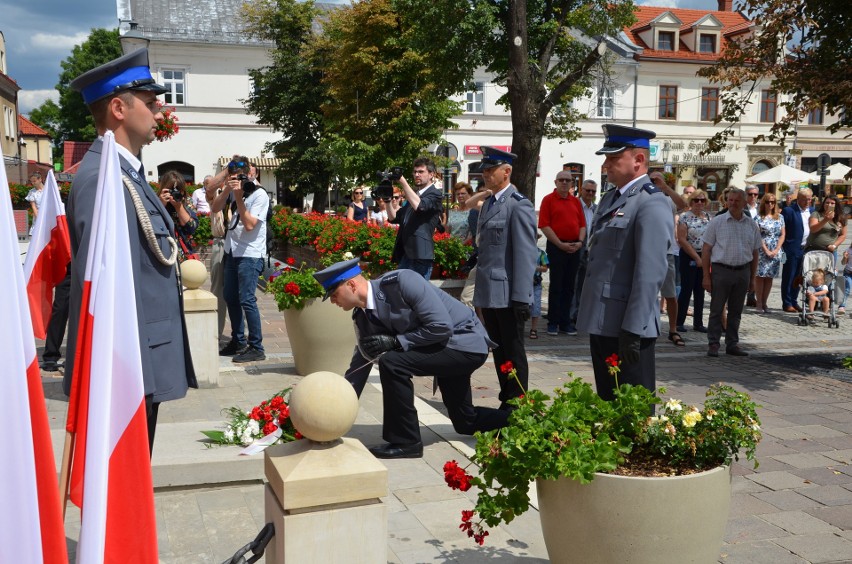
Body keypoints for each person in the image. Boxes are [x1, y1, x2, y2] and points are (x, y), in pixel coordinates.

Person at [66, 48, 197, 454]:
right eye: (152, 102)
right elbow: (102, 291)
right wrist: (127, 373)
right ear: (119, 108)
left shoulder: (125, 174)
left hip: (143, 360)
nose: (160, 112)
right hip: (127, 366)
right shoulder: (100, 180)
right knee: (121, 492)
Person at [315, 258, 509, 459]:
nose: (332, 301)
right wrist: (336, 405)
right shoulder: (362, 316)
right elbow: (363, 360)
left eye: (334, 294)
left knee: (392, 362)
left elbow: (441, 326)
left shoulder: (403, 282)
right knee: (465, 422)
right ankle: (518, 421)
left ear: (352, 285)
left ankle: (406, 441)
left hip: (464, 344)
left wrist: (397, 342)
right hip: (440, 349)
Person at [577, 125, 671, 401]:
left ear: (638, 161)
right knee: (609, 403)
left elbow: (649, 273)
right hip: (604, 320)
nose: (605, 166)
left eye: (613, 159)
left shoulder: (651, 203)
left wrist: (633, 328)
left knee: (634, 412)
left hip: (628, 325)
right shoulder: (611, 198)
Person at [473, 147, 538, 409]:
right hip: (489, 291)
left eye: (491, 170)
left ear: (506, 171)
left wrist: (523, 297)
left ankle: (518, 399)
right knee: (499, 350)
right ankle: (506, 395)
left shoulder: (518, 204)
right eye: (485, 170)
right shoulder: (490, 203)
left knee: (513, 350)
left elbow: (525, 254)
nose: (486, 174)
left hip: (508, 293)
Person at [211, 157, 270, 363]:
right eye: (232, 177)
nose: (236, 181)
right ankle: (238, 340)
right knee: (230, 296)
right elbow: (215, 208)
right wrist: (227, 190)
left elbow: (250, 225)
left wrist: (237, 196)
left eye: (238, 178)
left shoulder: (259, 195)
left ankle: (257, 346)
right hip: (232, 252)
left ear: (248, 175)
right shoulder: (234, 191)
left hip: (250, 254)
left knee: (247, 299)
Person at [701, 188, 762, 357]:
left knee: (736, 311)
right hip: (721, 270)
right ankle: (713, 344)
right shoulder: (717, 221)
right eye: (731, 200)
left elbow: (755, 252)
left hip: (743, 271)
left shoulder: (751, 225)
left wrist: (752, 278)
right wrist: (706, 276)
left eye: (737, 200)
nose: (733, 203)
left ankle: (732, 344)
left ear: (744, 203)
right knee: (716, 309)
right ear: (726, 201)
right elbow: (706, 249)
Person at [538, 171, 586, 336]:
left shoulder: (576, 202)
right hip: (557, 246)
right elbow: (544, 225)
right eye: (562, 180)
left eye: (568, 180)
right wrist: (560, 244)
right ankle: (553, 322)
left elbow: (582, 225)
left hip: (574, 246)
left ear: (572, 183)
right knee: (556, 286)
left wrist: (579, 242)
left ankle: (566, 322)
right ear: (556, 181)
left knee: (569, 287)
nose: (565, 183)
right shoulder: (548, 200)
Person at [387, 157, 443, 278]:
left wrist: (403, 182)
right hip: (406, 254)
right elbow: (393, 218)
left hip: (420, 255)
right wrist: (387, 200)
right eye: (415, 172)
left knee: (417, 295)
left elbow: (420, 206)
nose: (417, 175)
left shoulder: (435, 194)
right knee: (400, 292)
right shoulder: (414, 196)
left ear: (431, 174)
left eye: (421, 172)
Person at [649, 171, 687, 345]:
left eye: (658, 180)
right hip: (649, 251)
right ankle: (647, 326)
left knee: (670, 294)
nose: (655, 182)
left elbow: (683, 204)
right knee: (647, 293)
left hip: (668, 251)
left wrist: (665, 187)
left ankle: (673, 329)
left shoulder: (669, 199)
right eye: (652, 180)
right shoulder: (645, 196)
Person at [675, 189, 711, 332]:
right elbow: (682, 239)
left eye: (702, 200)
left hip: (705, 255)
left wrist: (705, 258)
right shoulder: (685, 217)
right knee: (686, 289)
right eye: (696, 200)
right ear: (691, 202)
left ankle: (698, 322)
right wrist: (697, 258)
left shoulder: (708, 217)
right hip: (689, 255)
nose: (699, 203)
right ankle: (679, 321)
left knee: (700, 290)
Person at [569, 179, 597, 328]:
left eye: (593, 191)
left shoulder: (597, 209)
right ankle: (570, 315)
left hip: (590, 252)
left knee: (585, 285)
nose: (590, 194)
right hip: (575, 249)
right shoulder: (574, 205)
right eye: (588, 190)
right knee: (572, 284)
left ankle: (580, 314)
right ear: (582, 190)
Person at [781, 188, 814, 312]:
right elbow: (783, 231)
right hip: (792, 249)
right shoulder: (789, 211)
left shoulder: (812, 211)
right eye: (804, 200)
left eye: (809, 199)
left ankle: (794, 301)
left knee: (800, 277)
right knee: (789, 277)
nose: (807, 202)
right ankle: (787, 303)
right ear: (798, 199)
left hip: (807, 249)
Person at [755, 193, 786, 314]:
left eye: (773, 202)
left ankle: (764, 302)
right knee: (760, 277)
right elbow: (757, 235)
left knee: (769, 278)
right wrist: (766, 250)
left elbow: (782, 234)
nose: (770, 204)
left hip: (775, 250)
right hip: (762, 250)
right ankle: (758, 303)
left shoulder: (780, 217)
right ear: (763, 203)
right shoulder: (758, 217)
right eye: (768, 202)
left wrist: (777, 249)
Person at [158, 171, 199, 262]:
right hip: (162, 253)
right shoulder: (156, 201)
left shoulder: (186, 201)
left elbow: (192, 227)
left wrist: (179, 207)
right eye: (171, 189)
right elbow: (152, 224)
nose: (175, 193)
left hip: (183, 255)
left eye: (178, 189)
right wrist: (161, 205)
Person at [529, 236, 549, 339]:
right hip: (524, 284)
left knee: (535, 307)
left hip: (536, 283)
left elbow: (545, 268)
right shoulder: (523, 252)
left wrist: (534, 267)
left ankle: (534, 328)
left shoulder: (541, 253)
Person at [840, 247, 851, 315]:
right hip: (848, 272)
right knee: (847, 289)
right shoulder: (848, 250)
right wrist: (845, 257)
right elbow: (843, 263)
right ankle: (841, 306)